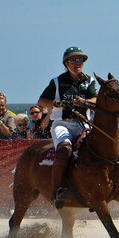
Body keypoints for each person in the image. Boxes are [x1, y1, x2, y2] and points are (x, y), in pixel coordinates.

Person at [37, 47, 98, 207]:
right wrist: (57, 103)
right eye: (73, 60)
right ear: (66, 63)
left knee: (103, 146)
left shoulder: (89, 80)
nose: (78, 63)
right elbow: (42, 101)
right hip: (62, 124)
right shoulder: (57, 81)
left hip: (84, 124)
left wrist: (84, 102)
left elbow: (96, 100)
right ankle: (59, 190)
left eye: (80, 60)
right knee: (64, 149)